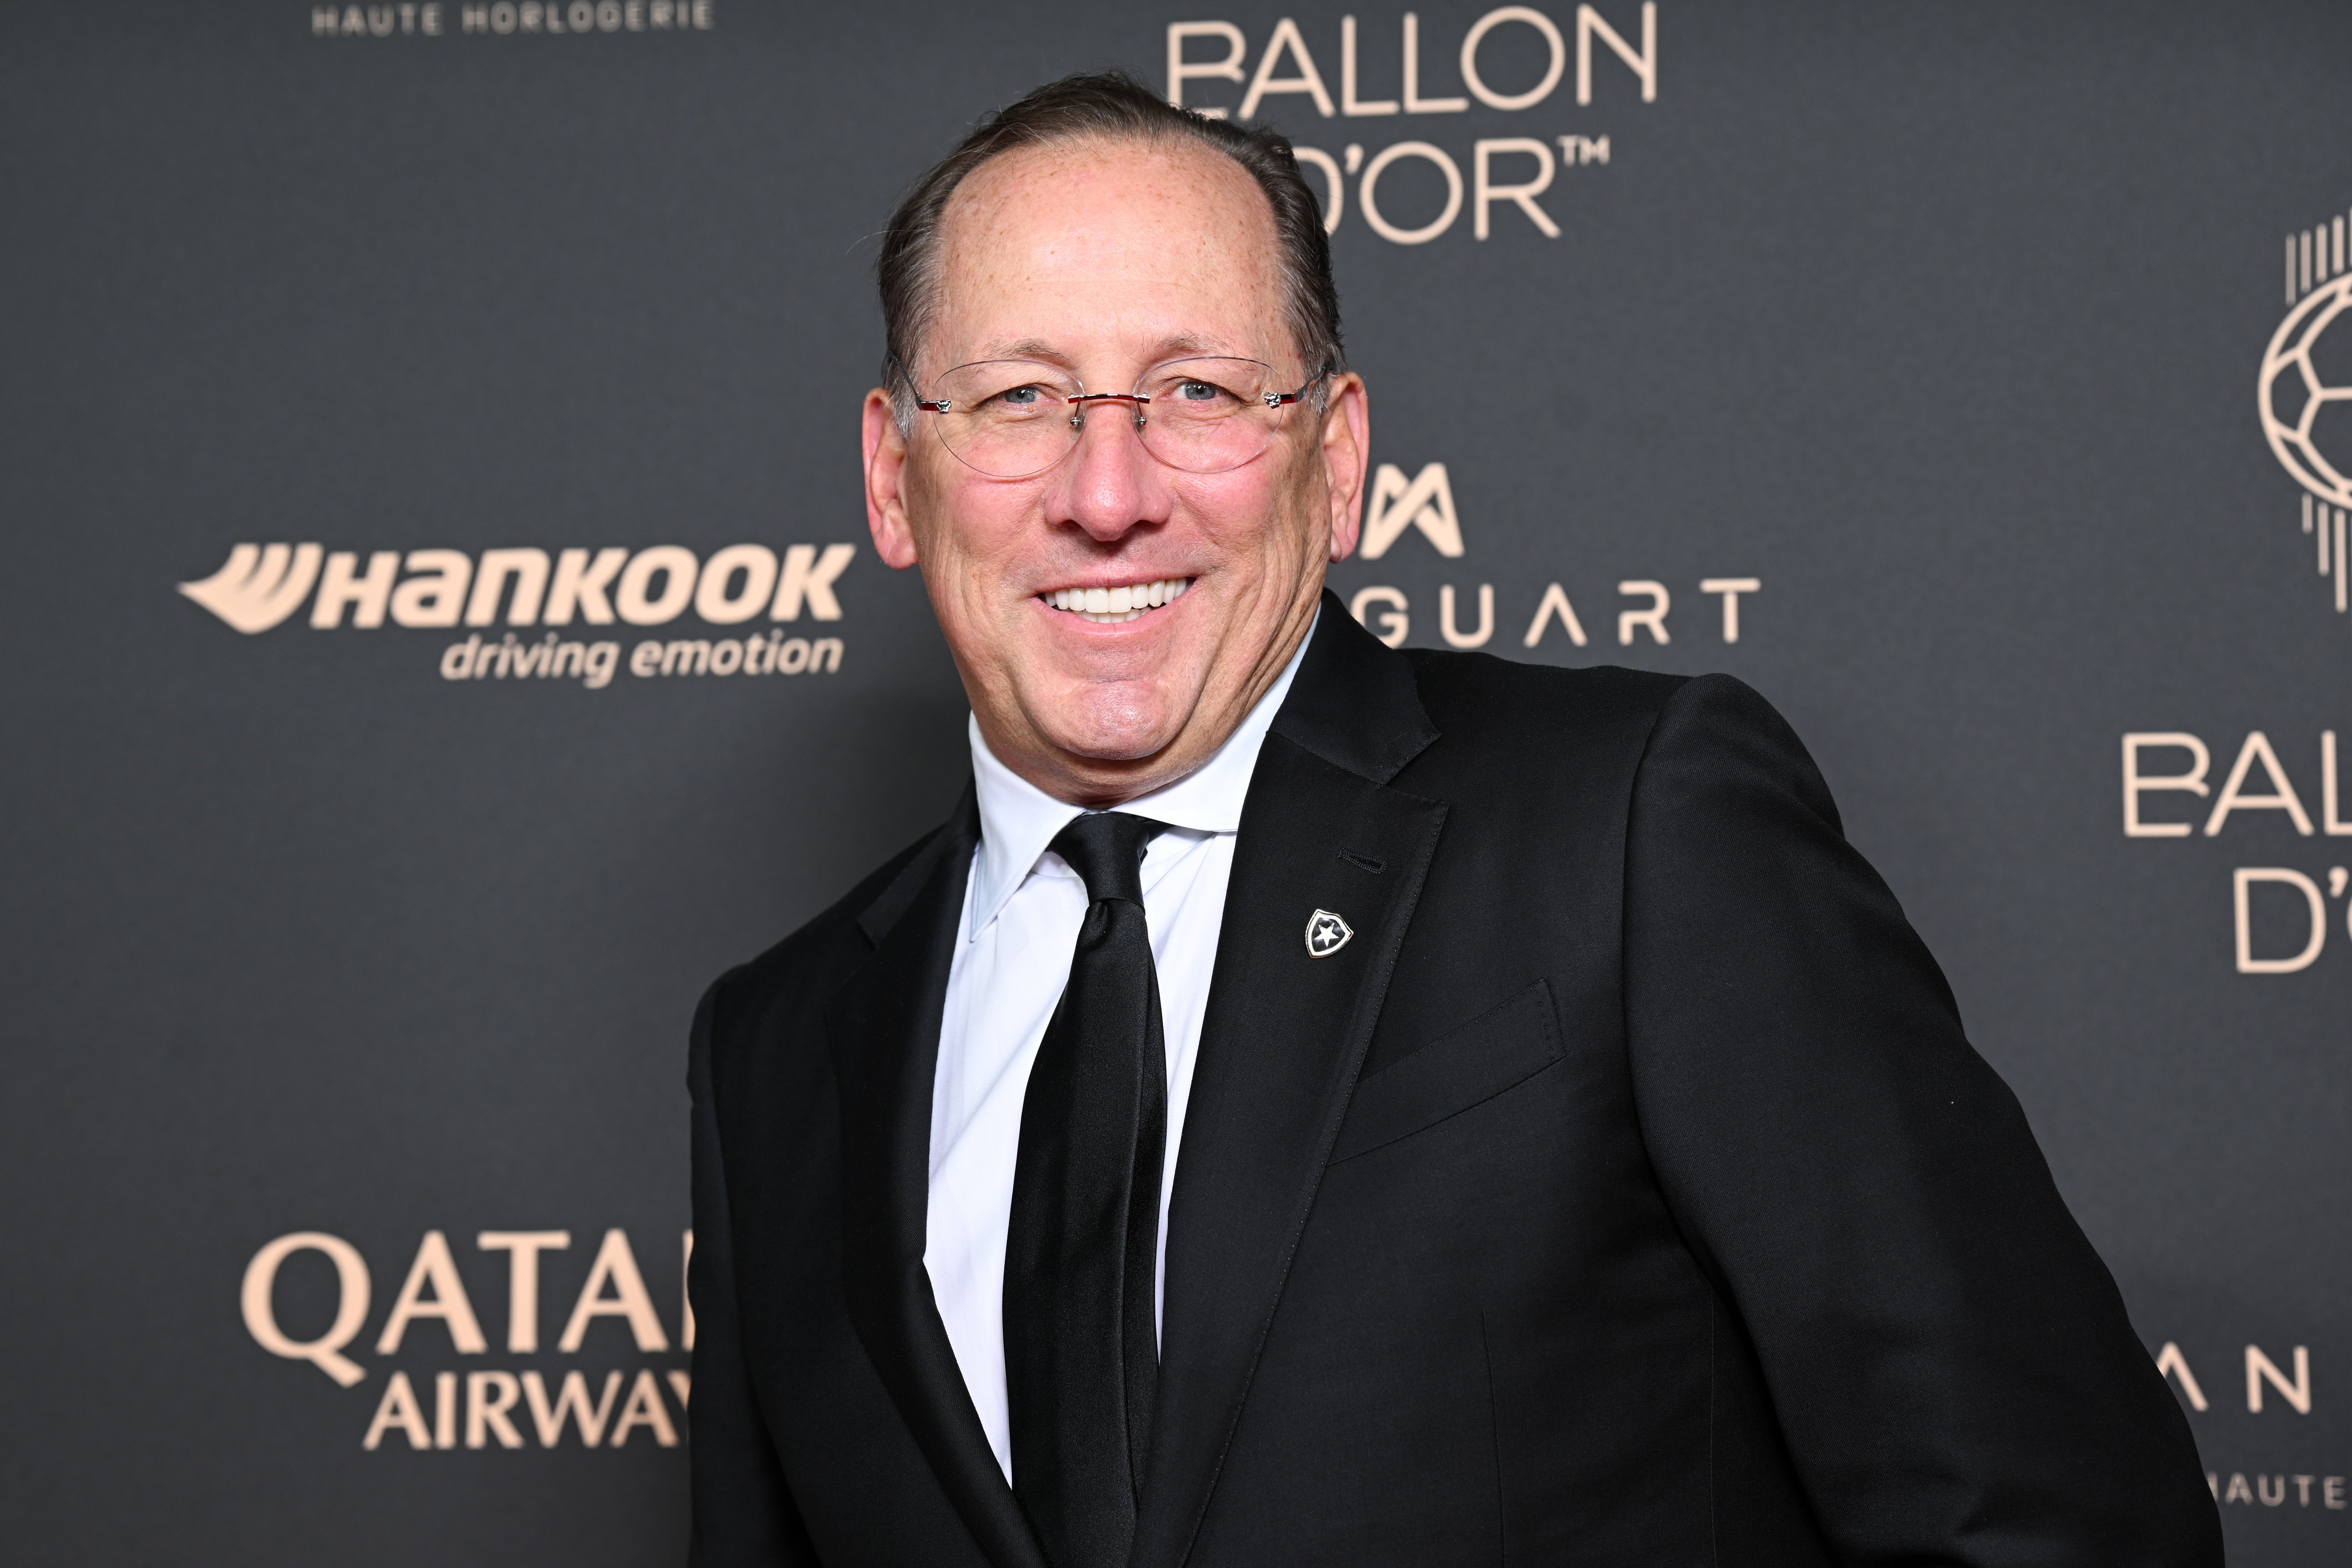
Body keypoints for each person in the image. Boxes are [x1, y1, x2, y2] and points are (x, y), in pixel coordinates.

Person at [686, 70, 2220, 1568]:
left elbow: (2048, 1515)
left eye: (1197, 392)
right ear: (893, 474)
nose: (1106, 493)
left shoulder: (1630, 833)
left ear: (1337, 458)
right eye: (1018, 397)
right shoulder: (778, 1048)